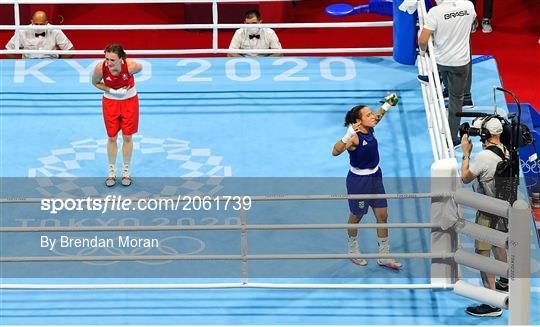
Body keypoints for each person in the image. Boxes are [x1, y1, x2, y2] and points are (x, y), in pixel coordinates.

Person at [332, 94, 402, 270]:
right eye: (368, 115)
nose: (373, 116)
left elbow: (378, 115)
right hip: (358, 182)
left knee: (382, 216)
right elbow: (335, 151)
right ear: (358, 121)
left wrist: (387, 105)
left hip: (376, 177)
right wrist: (347, 135)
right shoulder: (354, 137)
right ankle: (352, 249)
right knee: (356, 216)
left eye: (371, 114)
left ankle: (383, 256)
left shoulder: (369, 127)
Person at [460, 117, 508, 317]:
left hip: (488, 210)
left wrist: (466, 154)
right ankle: (505, 281)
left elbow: (465, 178)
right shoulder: (506, 150)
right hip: (505, 207)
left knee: (482, 255)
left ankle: (492, 303)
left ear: (485, 134)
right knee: (499, 244)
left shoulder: (484, 157)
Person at [417, 0, 476, 146]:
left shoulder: (435, 12)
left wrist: (423, 53)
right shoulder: (469, 6)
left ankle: (436, 80)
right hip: (461, 63)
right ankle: (452, 138)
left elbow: (423, 39)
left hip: (441, 62)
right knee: (456, 100)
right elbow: (471, 22)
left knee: (446, 82)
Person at [91, 44, 142, 187]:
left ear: (121, 59)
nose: (109, 63)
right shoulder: (99, 68)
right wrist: (112, 90)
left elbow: (140, 68)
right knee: (112, 137)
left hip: (130, 102)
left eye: (113, 60)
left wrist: (128, 81)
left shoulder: (131, 66)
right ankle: (111, 173)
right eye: (107, 58)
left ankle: (126, 172)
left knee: (127, 136)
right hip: (110, 103)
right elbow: (95, 83)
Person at [5, 10, 74, 59]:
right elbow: (8, 50)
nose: (38, 26)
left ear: (47, 23)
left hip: (51, 62)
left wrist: (59, 64)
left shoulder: (55, 30)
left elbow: (70, 50)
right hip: (29, 63)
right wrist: (19, 64)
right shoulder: (23, 31)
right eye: (36, 24)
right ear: (32, 22)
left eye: (41, 24)